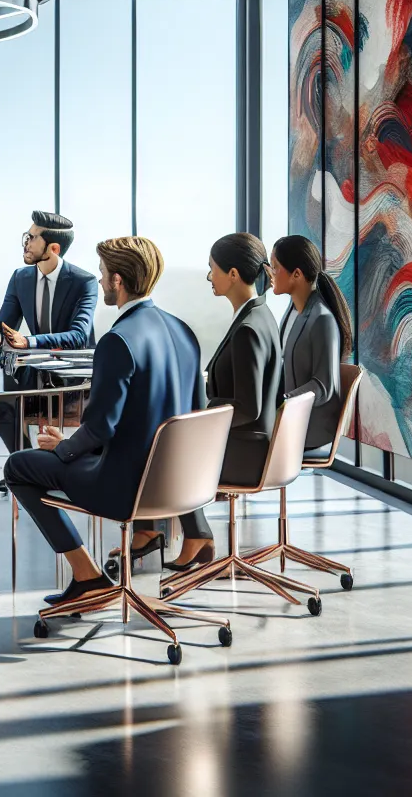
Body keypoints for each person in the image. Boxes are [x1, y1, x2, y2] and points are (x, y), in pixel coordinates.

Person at [1, 236, 205, 606]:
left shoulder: (117, 341)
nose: (98, 280)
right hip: (181, 483)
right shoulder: (183, 332)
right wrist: (70, 444)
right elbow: (195, 413)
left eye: (102, 273)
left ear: (117, 282)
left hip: (126, 485)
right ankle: (91, 577)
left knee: (18, 466)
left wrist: (63, 446)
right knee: (64, 456)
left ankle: (88, 575)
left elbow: (100, 429)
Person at [162, 233, 282, 571]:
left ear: (232, 274)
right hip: (257, 441)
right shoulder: (259, 315)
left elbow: (248, 407)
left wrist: (201, 419)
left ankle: (192, 536)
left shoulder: (248, 328)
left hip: (248, 450)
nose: (209, 276)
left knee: (165, 451)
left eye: (212, 269)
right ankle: (195, 535)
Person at [0, 211, 100, 453]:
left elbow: (79, 336)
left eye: (32, 237)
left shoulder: (83, 281)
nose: (26, 242)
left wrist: (28, 341)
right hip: (36, 375)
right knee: (0, 409)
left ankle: (58, 462)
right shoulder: (20, 277)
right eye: (27, 236)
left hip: (74, 379)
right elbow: (5, 326)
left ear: (53, 248)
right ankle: (24, 462)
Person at [270, 235, 353, 455]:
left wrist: (283, 403)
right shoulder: (291, 312)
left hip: (309, 429)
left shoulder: (321, 319)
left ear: (296, 274)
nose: (270, 273)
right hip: (288, 419)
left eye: (275, 267)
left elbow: (323, 387)